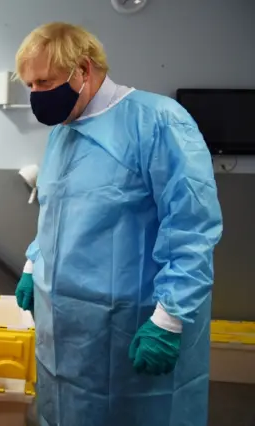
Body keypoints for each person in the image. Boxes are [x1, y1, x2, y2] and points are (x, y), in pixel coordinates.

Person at [13, 22, 222, 426]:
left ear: (83, 70)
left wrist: (170, 318)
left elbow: (191, 228)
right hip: (68, 330)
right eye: (30, 86)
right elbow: (55, 212)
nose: (37, 95)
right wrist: (31, 264)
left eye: (45, 82)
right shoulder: (63, 131)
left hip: (135, 324)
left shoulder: (158, 121)